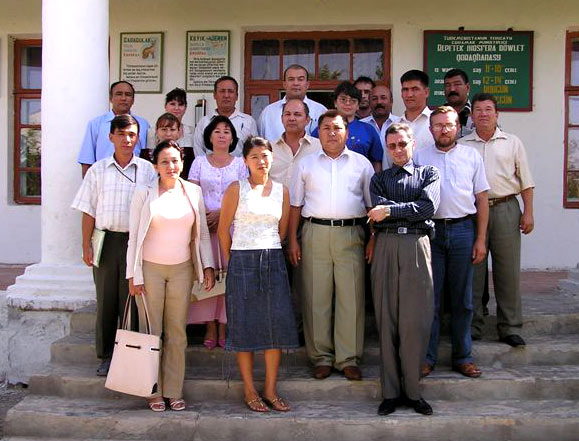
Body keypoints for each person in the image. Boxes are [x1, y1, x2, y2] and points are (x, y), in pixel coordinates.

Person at [126, 140, 215, 412]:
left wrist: (208, 266)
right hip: (149, 270)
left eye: (175, 160)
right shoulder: (143, 192)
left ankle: (173, 391)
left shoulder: (193, 192)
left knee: (177, 333)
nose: (171, 166)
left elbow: (201, 234)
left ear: (183, 163)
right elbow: (133, 237)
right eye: (164, 161)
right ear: (155, 166)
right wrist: (133, 275)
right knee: (152, 332)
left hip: (182, 270)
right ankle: (153, 391)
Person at [288, 110, 374, 381]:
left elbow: (371, 205)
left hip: (351, 234)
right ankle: (321, 357)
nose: (332, 133)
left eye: (337, 128)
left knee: (351, 297)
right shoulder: (306, 164)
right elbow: (295, 205)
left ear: (347, 132)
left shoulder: (362, 164)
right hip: (315, 232)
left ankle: (348, 358)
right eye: (326, 128)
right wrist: (292, 239)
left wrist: (373, 238)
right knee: (317, 296)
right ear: (319, 132)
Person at [71, 114, 157, 376]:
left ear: (138, 138)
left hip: (136, 241)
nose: (127, 140)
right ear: (111, 137)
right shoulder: (98, 170)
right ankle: (107, 355)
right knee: (106, 300)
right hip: (106, 241)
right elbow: (88, 210)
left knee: (132, 300)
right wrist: (86, 245)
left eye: (132, 135)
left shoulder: (147, 170)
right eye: (121, 134)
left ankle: (129, 355)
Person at [218, 137, 299, 413]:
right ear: (245, 161)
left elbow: (282, 231)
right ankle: (250, 390)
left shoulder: (282, 191)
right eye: (254, 157)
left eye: (265, 155)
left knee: (275, 325)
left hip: (273, 259)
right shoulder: (236, 189)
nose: (261, 161)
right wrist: (232, 261)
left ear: (272, 158)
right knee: (244, 326)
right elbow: (223, 230)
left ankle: (270, 389)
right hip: (242, 260)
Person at [367, 123, 440, 416]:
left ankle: (413, 391)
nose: (398, 150)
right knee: (386, 319)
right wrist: (404, 210)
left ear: (413, 144)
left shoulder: (428, 174)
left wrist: (391, 210)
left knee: (414, 321)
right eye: (392, 146)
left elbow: (428, 208)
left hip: (416, 245)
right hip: (385, 246)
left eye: (402, 144)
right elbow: (377, 211)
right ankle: (390, 393)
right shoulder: (379, 179)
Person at [414, 106, 489, 379]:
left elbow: (482, 199)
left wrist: (480, 239)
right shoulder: (420, 157)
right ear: (430, 129)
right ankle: (427, 357)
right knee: (430, 300)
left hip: (462, 231)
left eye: (448, 125)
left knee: (463, 300)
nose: (443, 130)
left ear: (458, 127)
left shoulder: (471, 156)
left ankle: (463, 356)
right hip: (430, 233)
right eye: (438, 125)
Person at [461, 93, 535, 347]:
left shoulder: (512, 142)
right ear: (471, 116)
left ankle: (510, 326)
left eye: (488, 109)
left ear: (497, 114)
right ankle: (473, 325)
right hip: (472, 212)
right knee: (474, 271)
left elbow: (526, 181)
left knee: (507, 270)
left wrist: (528, 212)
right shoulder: (463, 145)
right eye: (478, 110)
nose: (483, 114)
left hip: (505, 208)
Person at [187, 116, 248, 348]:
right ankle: (209, 325)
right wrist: (205, 216)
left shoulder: (240, 163)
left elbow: (244, 194)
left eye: (226, 131)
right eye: (217, 131)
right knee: (207, 274)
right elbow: (192, 192)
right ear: (209, 137)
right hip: (205, 228)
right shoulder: (199, 162)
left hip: (231, 228)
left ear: (232, 138)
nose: (222, 135)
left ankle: (224, 324)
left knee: (229, 276)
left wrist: (223, 214)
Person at [78, 81, 149, 177]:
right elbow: (87, 160)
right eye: (119, 94)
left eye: (128, 95)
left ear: (133, 100)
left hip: (135, 179)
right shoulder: (96, 124)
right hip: (103, 179)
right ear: (111, 98)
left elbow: (148, 157)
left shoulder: (143, 124)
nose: (123, 98)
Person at [311, 81, 383, 172]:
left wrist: (375, 180)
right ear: (335, 102)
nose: (348, 103)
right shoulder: (323, 128)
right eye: (343, 99)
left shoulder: (368, 130)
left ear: (358, 105)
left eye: (353, 101)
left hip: (359, 177)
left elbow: (377, 161)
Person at [258, 64, 327, 142]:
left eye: (300, 79)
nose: (296, 83)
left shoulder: (320, 111)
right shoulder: (268, 113)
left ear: (307, 84)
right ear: (284, 84)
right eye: (291, 79)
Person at [194, 76, 257, 157]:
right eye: (222, 91)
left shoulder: (248, 122)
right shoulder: (204, 122)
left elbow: (254, 151)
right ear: (214, 95)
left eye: (230, 91)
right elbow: (199, 152)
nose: (226, 95)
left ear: (237, 96)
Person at [270, 99, 321, 187]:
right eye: (287, 114)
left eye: (297, 114)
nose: (291, 118)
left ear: (307, 120)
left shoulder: (319, 147)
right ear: (282, 119)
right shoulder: (269, 149)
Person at [146, 88, 195, 178]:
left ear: (185, 108)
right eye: (172, 104)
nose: (176, 108)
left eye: (180, 104)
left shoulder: (193, 131)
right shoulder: (151, 131)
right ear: (165, 106)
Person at [361, 84, 400, 169]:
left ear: (391, 101)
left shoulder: (400, 124)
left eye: (383, 98)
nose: (379, 102)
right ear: (369, 102)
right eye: (374, 98)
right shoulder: (361, 126)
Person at [399, 70, 434, 152]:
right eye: (405, 90)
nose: (409, 95)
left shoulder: (437, 123)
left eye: (415, 89)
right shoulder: (394, 125)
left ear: (426, 92)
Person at [444, 69, 474, 137]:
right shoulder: (436, 116)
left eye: (457, 84)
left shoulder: (479, 114)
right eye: (448, 85)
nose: (452, 89)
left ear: (467, 87)